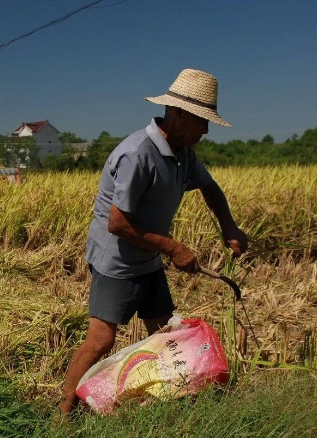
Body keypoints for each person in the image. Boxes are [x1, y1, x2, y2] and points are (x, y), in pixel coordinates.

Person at [58, 68, 249, 415]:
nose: (205, 130)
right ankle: (61, 414)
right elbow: (118, 223)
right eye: (201, 121)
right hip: (116, 259)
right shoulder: (137, 154)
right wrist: (173, 248)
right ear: (177, 115)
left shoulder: (183, 153)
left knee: (165, 336)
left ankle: (164, 406)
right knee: (102, 339)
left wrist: (230, 227)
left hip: (147, 257)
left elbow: (210, 188)